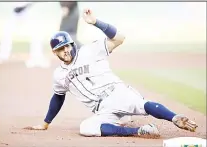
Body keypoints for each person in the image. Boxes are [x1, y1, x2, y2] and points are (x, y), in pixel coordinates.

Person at [24, 8, 198, 138]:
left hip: (117, 93)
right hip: (102, 110)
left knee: (141, 104)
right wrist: (45, 123)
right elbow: (58, 97)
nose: (65, 51)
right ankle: (139, 131)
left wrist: (95, 22)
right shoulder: (59, 75)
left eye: (66, 46)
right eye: (60, 49)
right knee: (86, 128)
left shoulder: (90, 50)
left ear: (72, 44)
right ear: (55, 53)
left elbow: (120, 38)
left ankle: (175, 118)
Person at [0, 2, 50, 68]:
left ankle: (37, 57)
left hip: (28, 10)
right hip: (15, 12)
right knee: (6, 32)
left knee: (37, 33)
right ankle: (3, 55)